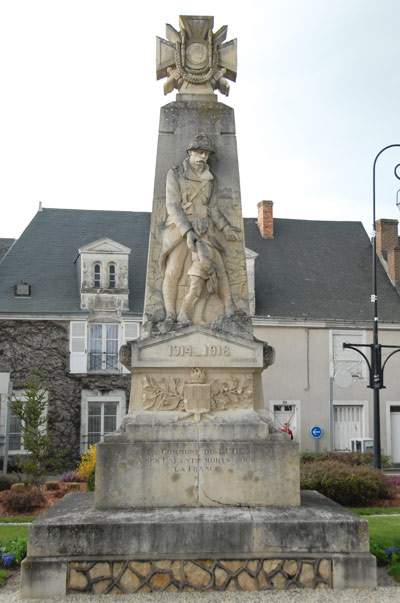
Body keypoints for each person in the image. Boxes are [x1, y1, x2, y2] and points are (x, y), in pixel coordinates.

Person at [159, 133, 240, 326]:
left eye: (206, 154)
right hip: (180, 228)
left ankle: (230, 308)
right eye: (200, 152)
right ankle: (170, 313)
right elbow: (173, 205)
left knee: (219, 266)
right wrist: (188, 232)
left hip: (205, 228)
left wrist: (226, 227)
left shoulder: (210, 178)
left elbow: (213, 208)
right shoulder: (176, 173)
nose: (203, 157)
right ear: (190, 152)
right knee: (173, 270)